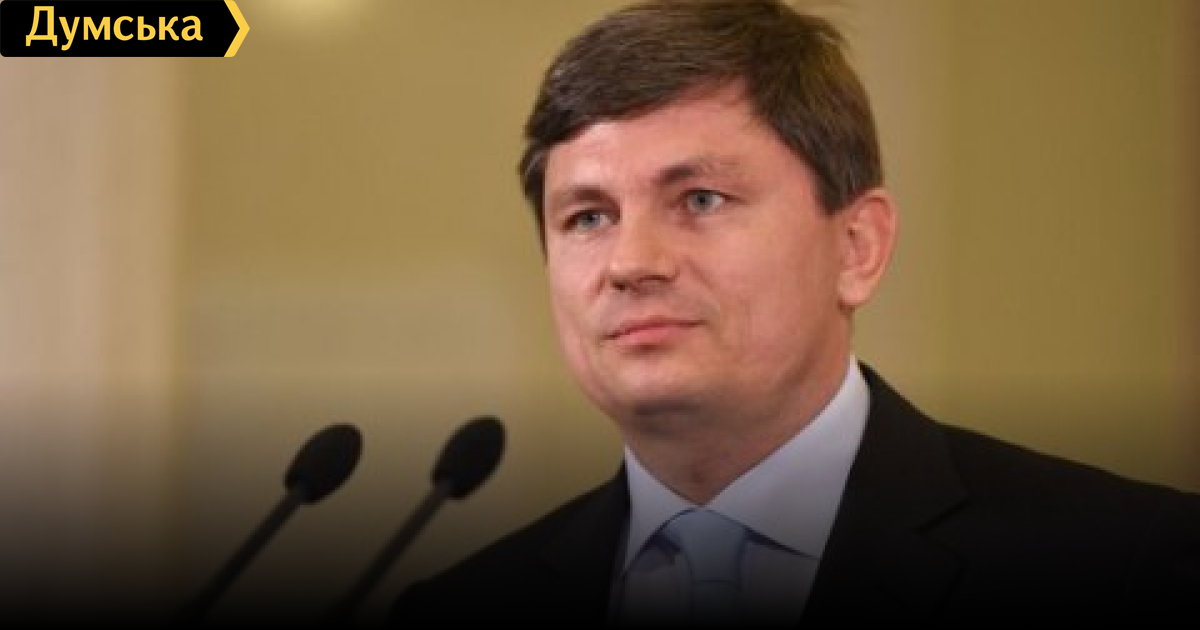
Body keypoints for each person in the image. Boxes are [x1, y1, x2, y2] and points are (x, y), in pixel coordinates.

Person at [388, 0, 1200, 626]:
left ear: (856, 247)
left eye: (700, 199)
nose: (632, 263)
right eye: (589, 217)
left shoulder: (1129, 564)